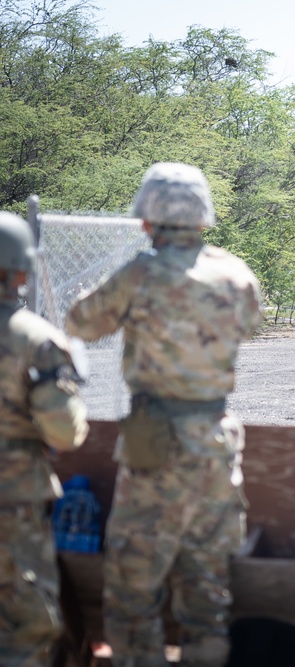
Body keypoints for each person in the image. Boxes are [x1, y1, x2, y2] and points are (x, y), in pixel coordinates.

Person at [66, 163, 262, 667]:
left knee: (132, 589)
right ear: (203, 216)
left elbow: (81, 324)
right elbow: (252, 325)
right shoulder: (235, 272)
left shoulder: (141, 273)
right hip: (216, 443)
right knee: (206, 589)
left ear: (147, 219)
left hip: (156, 445)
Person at [0, 212, 90, 666]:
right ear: (20, 271)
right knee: (26, 624)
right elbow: (65, 433)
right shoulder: (35, 339)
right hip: (11, 503)